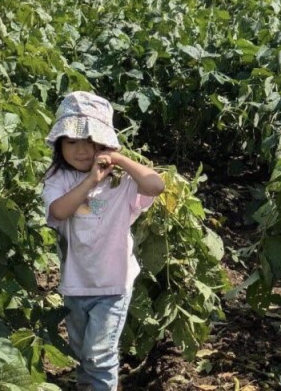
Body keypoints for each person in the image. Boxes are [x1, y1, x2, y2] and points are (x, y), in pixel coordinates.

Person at [42, 91, 165, 391]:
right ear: (60, 145)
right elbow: (58, 210)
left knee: (100, 355)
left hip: (113, 286)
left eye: (91, 141)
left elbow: (156, 184)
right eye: (72, 142)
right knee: (83, 353)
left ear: (104, 143)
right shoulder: (60, 179)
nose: (81, 150)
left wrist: (121, 159)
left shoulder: (122, 184)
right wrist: (91, 181)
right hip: (75, 284)